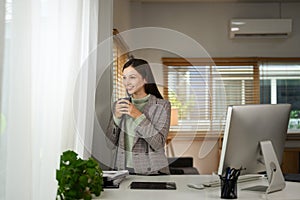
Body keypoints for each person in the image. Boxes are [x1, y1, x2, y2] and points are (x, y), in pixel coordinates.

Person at [105, 58, 171, 175]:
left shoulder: (162, 105)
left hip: (152, 172)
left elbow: (158, 143)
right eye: (124, 77)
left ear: (145, 79)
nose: (127, 83)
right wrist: (116, 118)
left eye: (132, 77)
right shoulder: (119, 105)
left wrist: (138, 115)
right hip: (122, 171)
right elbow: (109, 144)